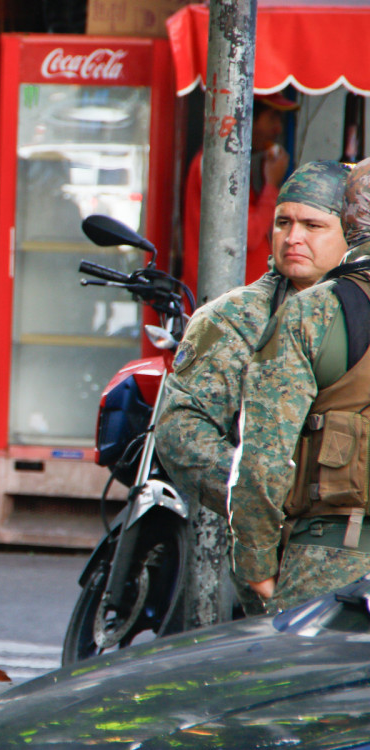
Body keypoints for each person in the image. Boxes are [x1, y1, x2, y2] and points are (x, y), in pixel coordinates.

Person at [154, 160, 350, 614]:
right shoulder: (231, 320)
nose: (293, 237)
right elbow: (181, 430)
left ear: (350, 235)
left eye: (313, 225)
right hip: (273, 548)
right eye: (284, 222)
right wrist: (261, 493)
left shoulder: (358, 312)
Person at [226, 157, 370, 614]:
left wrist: (255, 566)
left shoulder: (313, 311)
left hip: (333, 555)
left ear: (348, 221)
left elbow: (264, 459)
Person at [181, 92, 299, 296]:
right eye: (272, 118)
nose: (277, 129)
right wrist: (271, 185)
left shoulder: (239, 165)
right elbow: (249, 235)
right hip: (225, 303)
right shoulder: (219, 164)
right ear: (247, 119)